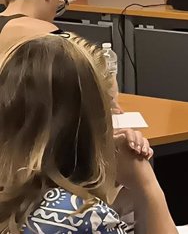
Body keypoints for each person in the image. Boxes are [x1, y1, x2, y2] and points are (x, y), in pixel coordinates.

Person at [0, 34, 176, 234]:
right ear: (86, 119)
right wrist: (146, 184)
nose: (118, 113)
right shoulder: (82, 216)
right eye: (108, 104)